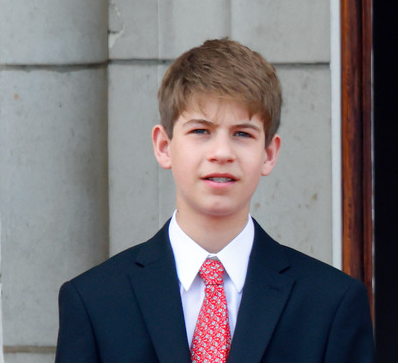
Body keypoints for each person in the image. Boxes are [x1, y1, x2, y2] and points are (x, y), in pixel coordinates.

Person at [54, 39, 374, 362]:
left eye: (242, 134)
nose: (221, 153)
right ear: (164, 146)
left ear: (269, 153)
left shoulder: (330, 304)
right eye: (201, 131)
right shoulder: (94, 302)